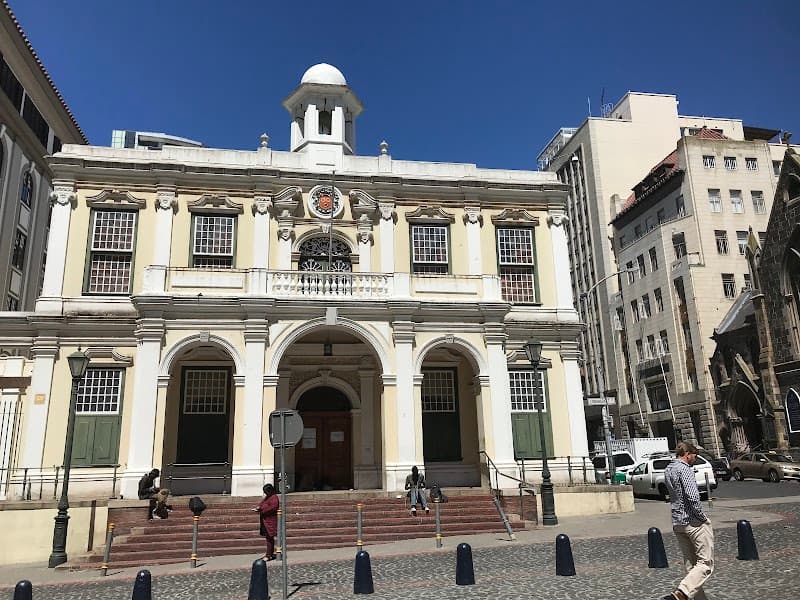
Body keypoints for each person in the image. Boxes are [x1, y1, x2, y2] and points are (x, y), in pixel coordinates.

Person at [661, 442, 714, 600]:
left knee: (691, 565)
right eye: (695, 456)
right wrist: (702, 517)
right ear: (688, 454)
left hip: (678, 522)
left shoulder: (668, 469)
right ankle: (680, 594)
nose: (694, 460)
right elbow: (692, 496)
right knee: (705, 563)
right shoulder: (684, 469)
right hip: (693, 522)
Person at [254, 483, 279, 560]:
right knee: (268, 538)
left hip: (270, 521)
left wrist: (262, 510)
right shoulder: (268, 497)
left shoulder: (274, 498)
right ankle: (269, 554)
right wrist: (259, 507)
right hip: (265, 521)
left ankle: (269, 555)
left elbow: (273, 507)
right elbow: (262, 504)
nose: (265, 493)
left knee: (269, 538)